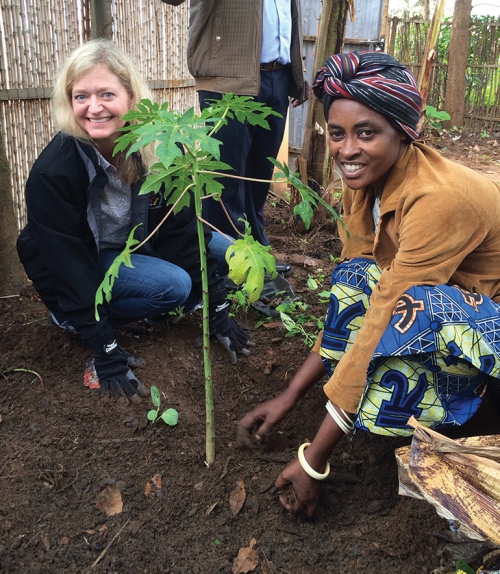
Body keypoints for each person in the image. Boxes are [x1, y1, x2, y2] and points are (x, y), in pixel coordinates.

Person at [238, 51, 500, 517]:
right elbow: (354, 296)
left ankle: (475, 416)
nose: (346, 150)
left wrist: (314, 458)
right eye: (337, 134)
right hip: (461, 313)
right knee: (357, 276)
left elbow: (385, 315)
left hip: (488, 339)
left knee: (414, 311)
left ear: (403, 131)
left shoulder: (439, 199)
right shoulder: (365, 188)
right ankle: (392, 407)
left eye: (366, 133)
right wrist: (290, 395)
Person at [17, 39, 253, 406]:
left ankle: (186, 302)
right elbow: (65, 265)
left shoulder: (156, 147)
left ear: (131, 97)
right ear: (69, 101)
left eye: (106, 94)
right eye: (81, 97)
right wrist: (104, 348)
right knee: (171, 285)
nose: (93, 108)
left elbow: (183, 229)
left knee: (228, 252)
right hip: (87, 260)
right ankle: (76, 320)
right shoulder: (54, 171)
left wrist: (215, 308)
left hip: (138, 241)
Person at [162, 0, 308, 273]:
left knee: (258, 177)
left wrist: (296, 78)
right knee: (225, 181)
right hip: (227, 81)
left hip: (277, 77)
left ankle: (255, 251)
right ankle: (224, 263)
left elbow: (289, 20)